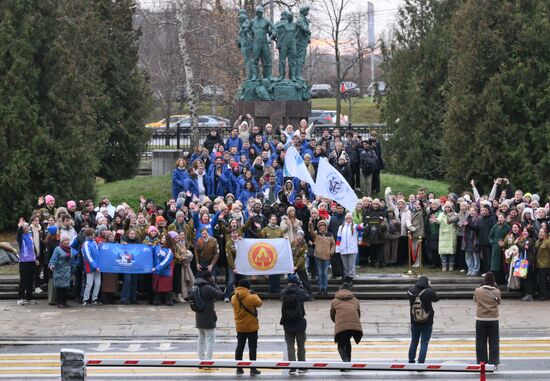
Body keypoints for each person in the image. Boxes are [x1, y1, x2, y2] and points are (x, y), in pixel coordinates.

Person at [231, 279, 263, 375]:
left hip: (240, 326)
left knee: (240, 347)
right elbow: (260, 303)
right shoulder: (251, 297)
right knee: (252, 347)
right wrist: (255, 294)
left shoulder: (233, 297)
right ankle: (253, 369)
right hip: (251, 327)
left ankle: (239, 368)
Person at [280, 274, 309, 375]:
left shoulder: (283, 292)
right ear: (296, 282)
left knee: (290, 346)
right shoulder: (300, 291)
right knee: (301, 345)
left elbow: (281, 299)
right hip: (299, 322)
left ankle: (292, 367)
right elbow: (307, 297)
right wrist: (301, 287)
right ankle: (302, 367)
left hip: (287, 322)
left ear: (288, 282)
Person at [407, 276, 439, 363]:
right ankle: (421, 362)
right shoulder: (429, 291)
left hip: (414, 320)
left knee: (414, 341)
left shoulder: (410, 290)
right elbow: (436, 298)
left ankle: (411, 360)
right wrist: (430, 287)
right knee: (424, 343)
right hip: (427, 321)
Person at [193, 270, 224, 361]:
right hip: (208, 316)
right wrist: (214, 283)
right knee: (210, 339)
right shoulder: (207, 288)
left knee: (201, 339)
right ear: (209, 277)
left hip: (199, 316)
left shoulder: (196, 286)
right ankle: (208, 360)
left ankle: (201, 360)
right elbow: (220, 294)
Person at [474, 272, 501, 368]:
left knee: (480, 341)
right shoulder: (497, 291)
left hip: (481, 318)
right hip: (493, 318)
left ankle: (482, 362)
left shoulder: (478, 290)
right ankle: (494, 362)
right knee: (494, 341)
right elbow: (499, 302)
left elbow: (475, 300)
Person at [330, 283, 362, 362]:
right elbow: (358, 314)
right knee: (347, 341)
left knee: (340, 344)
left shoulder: (334, 301)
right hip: (353, 326)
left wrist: (338, 322)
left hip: (341, 325)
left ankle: (345, 361)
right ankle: (349, 361)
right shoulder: (355, 300)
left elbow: (332, 315)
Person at [16, 219, 38, 305]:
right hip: (24, 261)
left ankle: (29, 297)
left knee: (30, 280)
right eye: (25, 228)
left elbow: (32, 248)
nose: (27, 229)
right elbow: (19, 233)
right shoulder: (20, 237)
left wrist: (35, 258)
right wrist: (20, 227)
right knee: (23, 280)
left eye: (27, 227)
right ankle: (20, 298)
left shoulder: (30, 235)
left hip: (32, 261)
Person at [48, 235, 74, 308]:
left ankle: (65, 302)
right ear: (62, 242)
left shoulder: (70, 249)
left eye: (68, 240)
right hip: (59, 270)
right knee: (60, 287)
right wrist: (52, 265)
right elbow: (54, 259)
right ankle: (59, 302)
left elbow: (72, 261)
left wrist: (73, 270)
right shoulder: (57, 249)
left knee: (65, 287)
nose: (67, 242)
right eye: (65, 241)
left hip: (67, 271)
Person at [81, 228, 101, 305]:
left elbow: (98, 254)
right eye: (92, 234)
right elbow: (88, 256)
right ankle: (85, 299)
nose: (94, 235)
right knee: (89, 283)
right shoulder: (85, 244)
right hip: (90, 266)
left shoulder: (94, 242)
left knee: (98, 283)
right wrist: (95, 266)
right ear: (88, 235)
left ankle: (94, 299)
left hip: (97, 266)